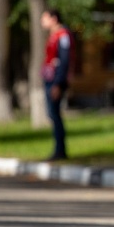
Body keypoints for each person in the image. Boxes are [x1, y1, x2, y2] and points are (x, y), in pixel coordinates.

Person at [41, 9, 72, 161]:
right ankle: (58, 149)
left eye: (45, 18)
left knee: (55, 113)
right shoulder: (53, 35)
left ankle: (60, 151)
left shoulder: (63, 35)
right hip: (50, 78)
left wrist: (58, 83)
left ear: (54, 19)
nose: (42, 21)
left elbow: (64, 60)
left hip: (56, 80)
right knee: (52, 114)